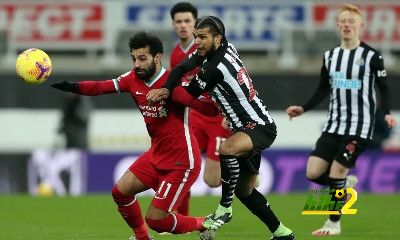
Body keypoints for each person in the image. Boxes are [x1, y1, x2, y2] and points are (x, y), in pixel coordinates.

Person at [51, 31, 219, 240]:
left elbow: (208, 108)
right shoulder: (132, 79)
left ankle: (204, 223)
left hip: (182, 160)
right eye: (134, 58)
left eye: (142, 58)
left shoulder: (173, 82)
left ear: (157, 57)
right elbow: (99, 87)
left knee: (157, 220)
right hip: (156, 154)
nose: (137, 64)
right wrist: (74, 87)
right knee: (120, 193)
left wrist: (205, 98)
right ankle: (142, 237)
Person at [147, 16, 295, 240]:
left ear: (217, 38)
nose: (197, 42)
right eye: (196, 36)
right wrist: (169, 86)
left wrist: (164, 87)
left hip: (258, 127)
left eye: (202, 37)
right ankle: (282, 232)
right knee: (245, 191)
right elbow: (181, 68)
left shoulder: (214, 68)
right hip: (244, 127)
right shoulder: (224, 48)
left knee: (226, 149)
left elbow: (189, 95)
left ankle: (225, 209)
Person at [286, 4, 396, 236]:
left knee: (337, 172)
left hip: (360, 127)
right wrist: (303, 108)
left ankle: (333, 224)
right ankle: (343, 187)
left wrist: (386, 112)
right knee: (312, 172)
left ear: (360, 26)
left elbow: (383, 88)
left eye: (351, 21)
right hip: (334, 124)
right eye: (343, 21)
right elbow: (322, 89)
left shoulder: (372, 56)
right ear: (338, 25)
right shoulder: (330, 56)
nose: (347, 25)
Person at [169, 2, 232, 216]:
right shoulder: (176, 54)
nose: (183, 25)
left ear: (195, 25)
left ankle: (245, 170)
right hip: (194, 117)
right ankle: (180, 219)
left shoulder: (209, 48)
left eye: (188, 21)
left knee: (212, 181)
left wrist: (228, 112)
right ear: (173, 25)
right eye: (179, 21)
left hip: (217, 116)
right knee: (182, 164)